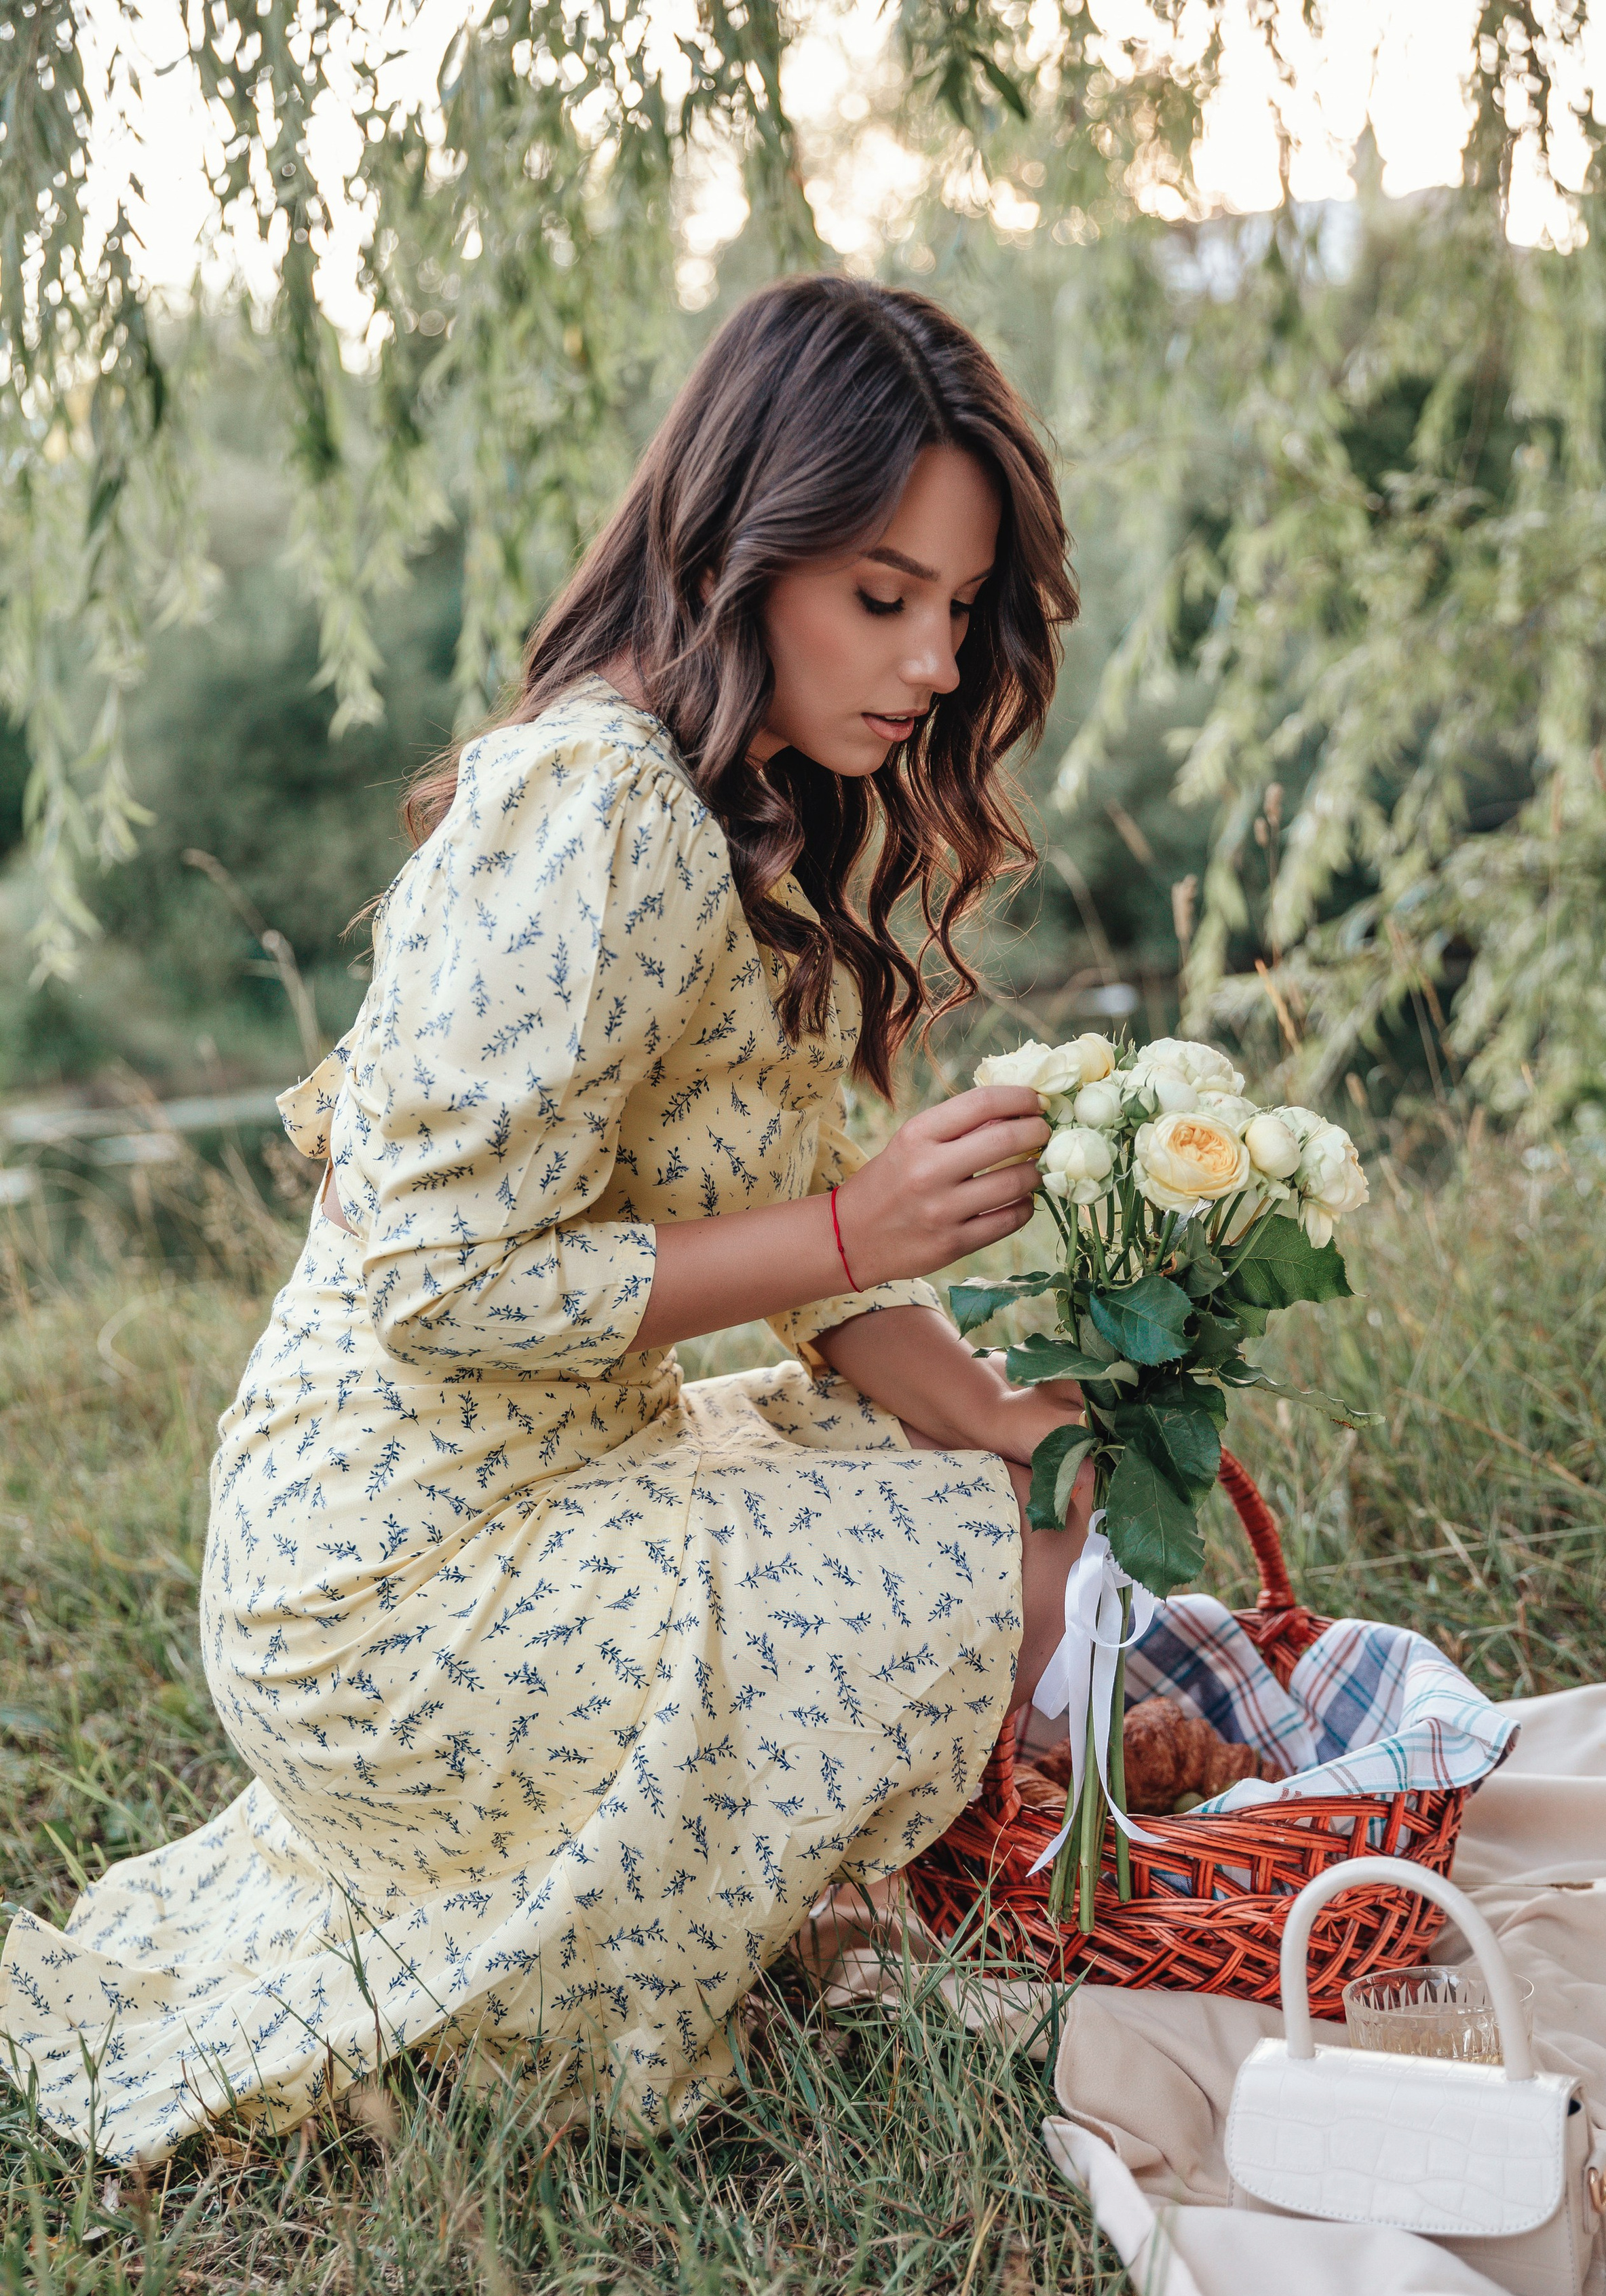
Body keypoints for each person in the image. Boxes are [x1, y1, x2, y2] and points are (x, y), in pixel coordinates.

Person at [0, 276, 1086, 2160]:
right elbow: (436, 1278)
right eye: (881, 597)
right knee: (989, 1575)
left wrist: (1006, 1416)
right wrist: (865, 1232)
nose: (928, 663)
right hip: (386, 1581)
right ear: (742, 556)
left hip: (541, 1482)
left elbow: (787, 1231)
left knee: (995, 1500)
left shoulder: (740, 800)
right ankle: (698, 1940)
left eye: (961, 608)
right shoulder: (599, 815)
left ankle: (791, 1889)